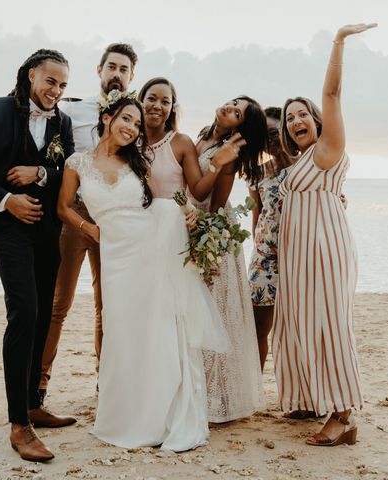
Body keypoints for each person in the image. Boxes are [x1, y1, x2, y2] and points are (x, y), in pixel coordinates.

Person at [57, 94, 228, 451]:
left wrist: (184, 214)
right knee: (121, 330)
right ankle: (123, 414)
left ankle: (160, 414)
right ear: (107, 118)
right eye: (126, 120)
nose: (132, 128)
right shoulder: (77, 163)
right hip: (115, 253)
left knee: (155, 329)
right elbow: (63, 208)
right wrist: (91, 231)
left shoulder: (138, 164)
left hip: (149, 251)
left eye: (136, 124)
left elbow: (158, 205)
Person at [0, 49, 77, 462]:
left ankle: (34, 403)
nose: (56, 91)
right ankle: (18, 424)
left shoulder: (63, 122)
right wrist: (6, 199)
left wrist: (40, 173)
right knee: (23, 311)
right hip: (7, 226)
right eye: (50, 81)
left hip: (47, 229)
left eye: (62, 85)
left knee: (42, 313)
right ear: (30, 76)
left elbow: (69, 172)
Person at [272, 23, 377, 446]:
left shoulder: (326, 150)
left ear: (317, 120)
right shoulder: (298, 161)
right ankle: (311, 399)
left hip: (324, 251)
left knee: (329, 327)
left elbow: (333, 94)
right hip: (297, 256)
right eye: (290, 116)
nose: (296, 119)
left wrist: (337, 43)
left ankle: (343, 414)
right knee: (298, 323)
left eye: (303, 113)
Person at [39, 43, 137, 400]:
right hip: (75, 214)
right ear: (99, 70)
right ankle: (39, 384)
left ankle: (105, 383)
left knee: (107, 306)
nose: (117, 73)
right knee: (57, 304)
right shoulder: (70, 110)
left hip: (115, 222)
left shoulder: (133, 119)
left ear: (131, 77)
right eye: (112, 66)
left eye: (124, 69)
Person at [190, 96, 268, 423]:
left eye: (237, 113)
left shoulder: (230, 155)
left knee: (213, 315)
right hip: (188, 222)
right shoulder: (202, 135)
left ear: (240, 127)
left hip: (211, 232)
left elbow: (216, 205)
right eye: (232, 103)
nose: (229, 108)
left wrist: (201, 242)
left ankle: (215, 398)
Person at [247, 107, 294, 371]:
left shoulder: (303, 167)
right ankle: (254, 390)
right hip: (264, 259)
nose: (270, 141)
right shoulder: (256, 172)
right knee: (257, 329)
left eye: (275, 133)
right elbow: (257, 218)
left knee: (294, 331)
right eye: (264, 136)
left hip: (297, 255)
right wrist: (257, 253)